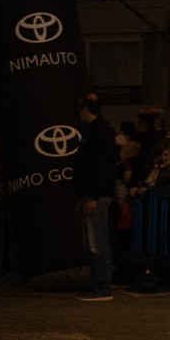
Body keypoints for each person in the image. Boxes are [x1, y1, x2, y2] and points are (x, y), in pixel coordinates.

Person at [73, 95, 119, 301]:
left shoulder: (97, 133)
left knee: (97, 241)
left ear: (86, 110)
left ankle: (102, 285)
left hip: (96, 196)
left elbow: (99, 167)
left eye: (81, 110)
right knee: (93, 241)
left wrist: (90, 195)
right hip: (94, 194)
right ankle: (98, 283)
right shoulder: (99, 131)